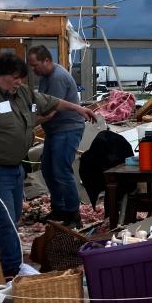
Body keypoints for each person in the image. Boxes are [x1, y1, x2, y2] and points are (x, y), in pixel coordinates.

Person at [0, 53, 96, 276]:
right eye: (15, 78)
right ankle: (13, 270)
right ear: (0, 75)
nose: (19, 82)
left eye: (22, 78)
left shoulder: (20, 93)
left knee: (9, 219)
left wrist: (78, 108)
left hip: (14, 169)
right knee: (6, 222)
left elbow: (50, 101)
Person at [27, 45, 87, 228]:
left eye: (35, 65)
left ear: (47, 60)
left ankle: (72, 213)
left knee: (61, 171)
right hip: (55, 130)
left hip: (67, 129)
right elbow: (41, 103)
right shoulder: (46, 76)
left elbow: (51, 110)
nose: (34, 70)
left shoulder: (57, 78)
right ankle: (59, 208)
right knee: (48, 170)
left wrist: (28, 123)